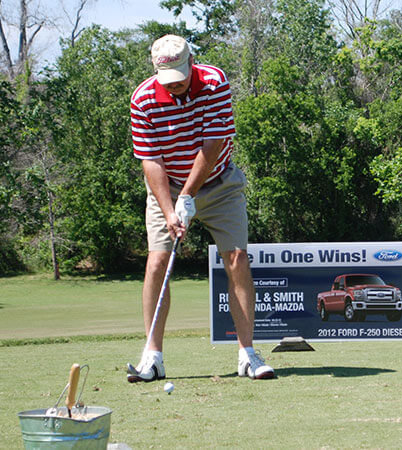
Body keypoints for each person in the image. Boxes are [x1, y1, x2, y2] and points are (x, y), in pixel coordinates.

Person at [126, 34, 274, 382]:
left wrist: (188, 195)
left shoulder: (214, 82)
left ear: (191, 62)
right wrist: (169, 209)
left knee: (236, 258)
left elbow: (214, 143)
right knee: (158, 261)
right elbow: (151, 162)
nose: (175, 87)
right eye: (169, 81)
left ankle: (247, 354)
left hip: (220, 182)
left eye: (181, 77)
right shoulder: (143, 99)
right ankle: (152, 357)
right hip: (167, 188)